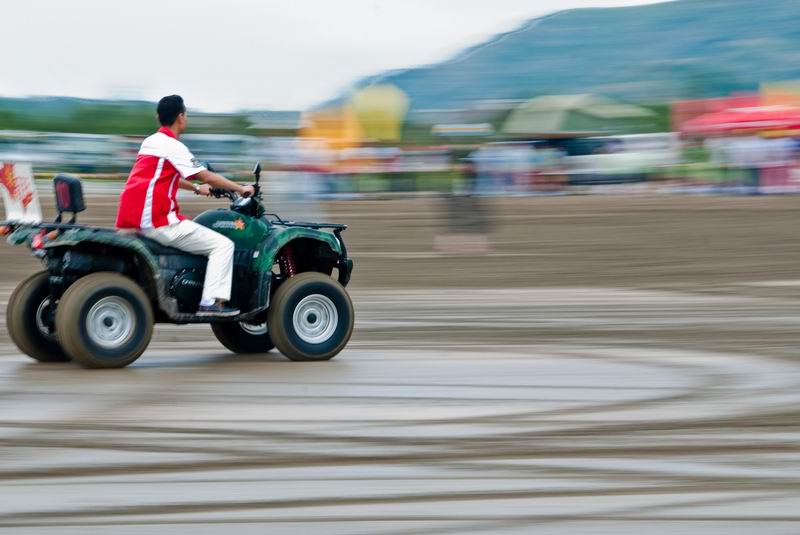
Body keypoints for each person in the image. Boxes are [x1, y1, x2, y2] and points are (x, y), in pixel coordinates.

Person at [115, 95, 254, 317]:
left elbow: (167, 177)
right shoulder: (174, 146)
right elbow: (207, 175)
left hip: (136, 220)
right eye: (185, 114)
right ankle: (211, 303)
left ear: (158, 117)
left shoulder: (150, 142)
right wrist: (241, 188)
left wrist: (198, 189)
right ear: (181, 117)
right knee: (223, 246)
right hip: (159, 222)